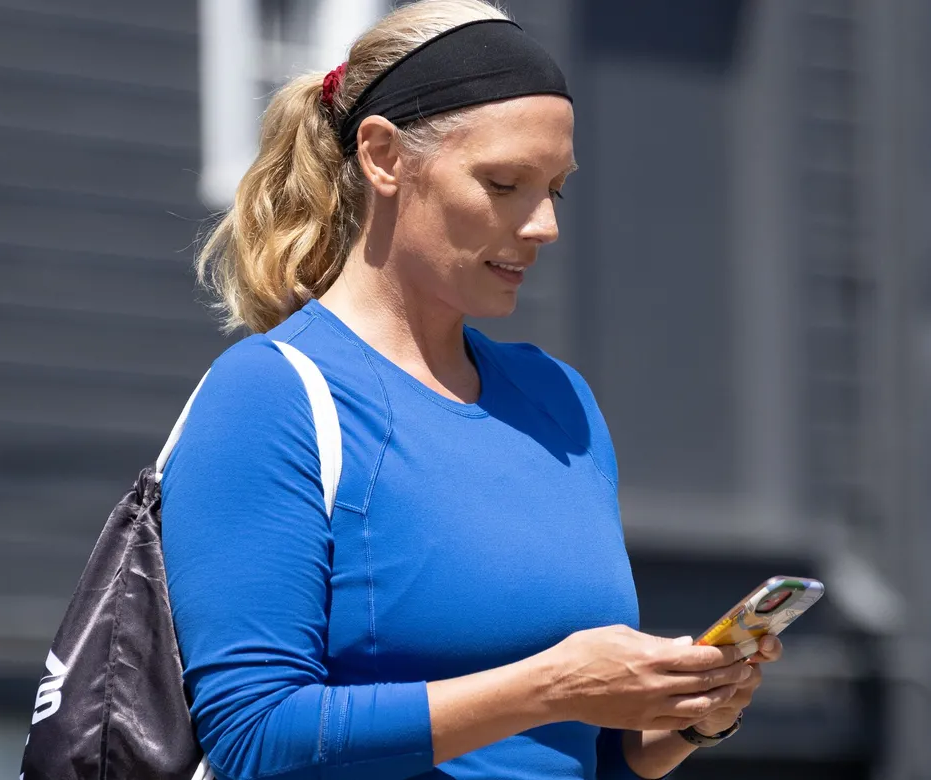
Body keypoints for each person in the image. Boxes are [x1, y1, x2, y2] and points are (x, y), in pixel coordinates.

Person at [162, 2, 783, 779]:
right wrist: (553, 686)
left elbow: (583, 758)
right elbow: (255, 736)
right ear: (384, 156)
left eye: (556, 189)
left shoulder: (559, 402)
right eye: (505, 183)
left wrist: (691, 720)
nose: (544, 225)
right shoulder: (272, 396)